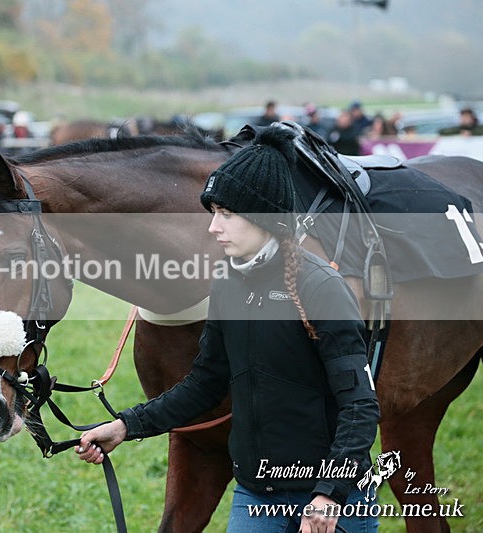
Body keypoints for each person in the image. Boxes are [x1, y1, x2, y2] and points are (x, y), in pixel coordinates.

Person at [77, 126, 380, 533]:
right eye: (213, 213)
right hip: (256, 493)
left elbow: (360, 406)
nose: (213, 227)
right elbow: (204, 383)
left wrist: (330, 494)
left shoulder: (321, 287)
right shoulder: (227, 283)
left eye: (226, 214)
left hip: (333, 500)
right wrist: (126, 426)